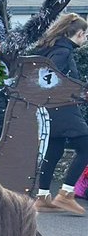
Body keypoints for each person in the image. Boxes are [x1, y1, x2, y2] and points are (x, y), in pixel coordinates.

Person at [32, 12, 88, 215]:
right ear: (79, 33)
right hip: (63, 107)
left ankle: (43, 196)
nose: (86, 38)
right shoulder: (63, 52)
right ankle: (66, 194)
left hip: (52, 107)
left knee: (54, 150)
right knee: (86, 145)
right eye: (86, 34)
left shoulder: (53, 48)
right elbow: (51, 78)